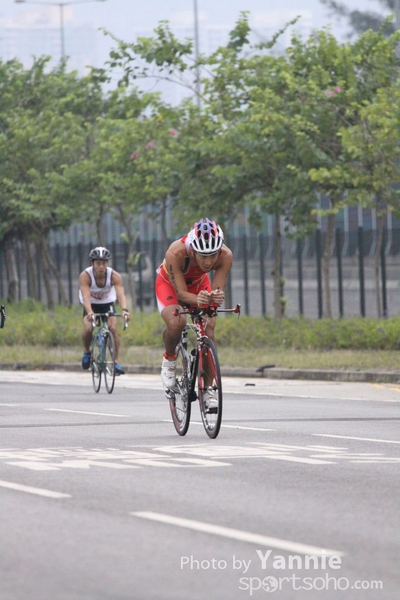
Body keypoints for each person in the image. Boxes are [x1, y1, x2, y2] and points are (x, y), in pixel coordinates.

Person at [155, 218, 233, 406]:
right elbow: (181, 294)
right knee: (177, 322)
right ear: (193, 251)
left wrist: (215, 298)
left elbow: (216, 292)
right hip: (170, 285)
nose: (208, 262)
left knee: (209, 329)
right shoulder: (176, 252)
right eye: (203, 256)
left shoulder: (225, 256)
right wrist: (199, 300)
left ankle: (207, 390)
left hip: (199, 284)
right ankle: (169, 359)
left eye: (213, 255)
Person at [78, 246, 130, 375]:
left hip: (107, 303)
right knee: (88, 328)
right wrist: (90, 312)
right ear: (92, 263)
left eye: (104, 263)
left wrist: (124, 310)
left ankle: (115, 362)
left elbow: (121, 295)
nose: (101, 267)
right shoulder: (85, 276)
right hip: (91, 303)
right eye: (98, 263)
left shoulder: (114, 276)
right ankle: (86, 351)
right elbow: (85, 297)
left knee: (113, 328)